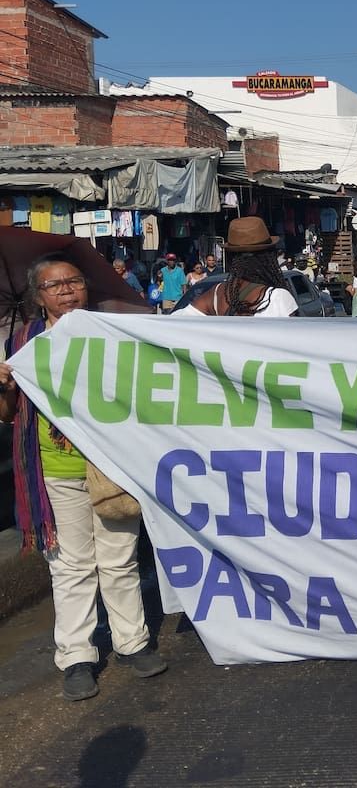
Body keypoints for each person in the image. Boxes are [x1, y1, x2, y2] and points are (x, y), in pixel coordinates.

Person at [0, 255, 167, 701]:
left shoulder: (111, 334)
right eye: (55, 286)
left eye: (74, 282)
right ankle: (77, 657)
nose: (67, 291)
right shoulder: (23, 344)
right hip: (55, 470)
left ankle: (133, 643)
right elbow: (7, 415)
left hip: (111, 467)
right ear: (38, 296)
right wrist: (4, 387)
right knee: (71, 566)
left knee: (119, 559)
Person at [173, 217, 299, 317]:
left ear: (231, 259)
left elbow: (178, 320)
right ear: (269, 257)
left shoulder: (218, 293)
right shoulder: (278, 297)